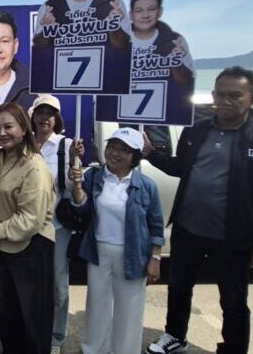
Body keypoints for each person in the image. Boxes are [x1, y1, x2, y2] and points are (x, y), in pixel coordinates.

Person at [144, 66, 253, 354]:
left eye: (234, 95)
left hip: (234, 236)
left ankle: (233, 348)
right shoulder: (196, 130)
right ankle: (175, 336)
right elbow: (180, 167)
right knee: (179, 288)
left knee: (233, 300)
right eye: (220, 94)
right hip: (188, 228)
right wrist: (151, 154)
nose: (225, 101)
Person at [66, 127, 164, 354]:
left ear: (135, 157)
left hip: (133, 254)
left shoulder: (147, 185)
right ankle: (93, 349)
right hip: (98, 252)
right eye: (112, 146)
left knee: (129, 309)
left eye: (124, 150)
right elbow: (81, 209)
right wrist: (77, 186)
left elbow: (156, 224)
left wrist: (155, 258)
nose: (115, 153)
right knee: (97, 305)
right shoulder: (94, 177)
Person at [0, 102, 56, 354]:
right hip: (4, 249)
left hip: (32, 249)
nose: (1, 132)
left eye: (8, 126)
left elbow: (30, 220)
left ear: (23, 128)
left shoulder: (34, 165)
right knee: (6, 315)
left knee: (33, 321)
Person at [27, 95, 73, 354]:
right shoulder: (24, 144)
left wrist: (76, 174)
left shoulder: (66, 146)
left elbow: (73, 189)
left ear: (57, 119)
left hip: (56, 227)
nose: (44, 117)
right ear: (32, 116)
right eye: (40, 112)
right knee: (30, 286)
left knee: (58, 287)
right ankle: (33, 332)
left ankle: (56, 338)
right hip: (27, 226)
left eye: (50, 113)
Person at [128, 0, 193, 90]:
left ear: (160, 12)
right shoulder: (117, 39)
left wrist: (177, 62)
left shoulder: (175, 41)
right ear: (131, 15)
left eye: (151, 9)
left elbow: (185, 82)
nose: (145, 15)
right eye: (139, 11)